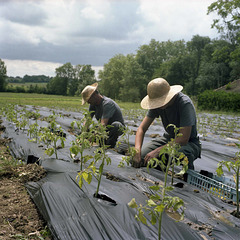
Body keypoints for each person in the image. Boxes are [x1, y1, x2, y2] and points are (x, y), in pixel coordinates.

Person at [132, 78, 201, 170]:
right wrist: (137, 151)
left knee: (171, 154)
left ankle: (187, 173)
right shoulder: (157, 105)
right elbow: (141, 129)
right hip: (168, 139)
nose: (158, 105)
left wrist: (157, 151)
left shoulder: (184, 104)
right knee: (142, 158)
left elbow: (183, 139)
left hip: (189, 143)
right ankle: (160, 169)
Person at [81, 82, 125, 148]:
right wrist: (83, 135)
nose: (88, 102)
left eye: (88, 99)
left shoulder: (107, 103)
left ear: (95, 95)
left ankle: (110, 146)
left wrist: (91, 137)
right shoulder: (93, 105)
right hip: (104, 128)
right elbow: (87, 120)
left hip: (115, 128)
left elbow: (103, 124)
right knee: (92, 130)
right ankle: (102, 142)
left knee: (116, 125)